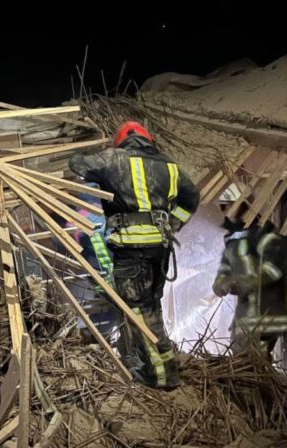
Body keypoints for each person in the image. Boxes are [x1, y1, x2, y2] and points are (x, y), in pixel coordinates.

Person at [69, 121, 200, 388]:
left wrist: (97, 151)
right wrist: (174, 222)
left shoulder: (113, 159)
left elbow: (77, 163)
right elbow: (192, 198)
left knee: (137, 311)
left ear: (121, 142)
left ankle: (160, 375)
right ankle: (163, 362)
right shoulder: (169, 165)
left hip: (131, 249)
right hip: (160, 250)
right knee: (151, 307)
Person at [212, 218, 287, 357]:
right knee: (244, 353)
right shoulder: (231, 241)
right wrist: (219, 284)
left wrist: (241, 282)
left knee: (248, 354)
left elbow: (272, 269)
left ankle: (258, 364)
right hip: (247, 312)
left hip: (269, 308)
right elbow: (224, 269)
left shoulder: (264, 235)